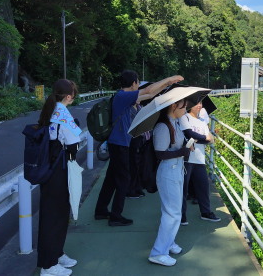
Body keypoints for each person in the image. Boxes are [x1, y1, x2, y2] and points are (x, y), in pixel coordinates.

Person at [94, 71, 183, 226]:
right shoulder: (123, 96)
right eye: (138, 82)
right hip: (120, 144)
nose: (139, 84)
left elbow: (148, 95)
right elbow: (148, 91)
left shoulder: (121, 97)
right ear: (134, 83)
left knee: (111, 179)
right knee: (123, 180)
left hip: (118, 143)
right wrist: (168, 79)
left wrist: (167, 85)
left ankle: (101, 211)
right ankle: (116, 216)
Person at [37, 79, 81, 276]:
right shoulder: (62, 111)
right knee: (55, 215)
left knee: (57, 213)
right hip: (57, 170)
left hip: (51, 168)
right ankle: (48, 265)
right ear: (69, 95)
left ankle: (57, 253)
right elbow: (74, 141)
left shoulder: (51, 109)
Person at [148, 99, 191, 267]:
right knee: (171, 212)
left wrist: (185, 148)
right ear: (174, 106)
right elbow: (159, 153)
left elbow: (176, 147)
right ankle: (158, 252)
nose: (185, 109)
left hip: (176, 170)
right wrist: (182, 151)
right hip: (168, 172)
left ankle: (169, 242)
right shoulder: (162, 127)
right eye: (183, 105)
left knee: (174, 210)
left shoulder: (175, 123)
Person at [179, 101, 221, 225]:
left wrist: (197, 139)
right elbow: (188, 133)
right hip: (186, 159)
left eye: (201, 103)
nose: (200, 106)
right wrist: (203, 138)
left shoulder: (202, 121)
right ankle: (182, 215)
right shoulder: (184, 117)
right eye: (197, 103)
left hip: (199, 159)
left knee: (203, 186)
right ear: (190, 105)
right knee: (183, 188)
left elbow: (210, 140)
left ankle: (206, 212)